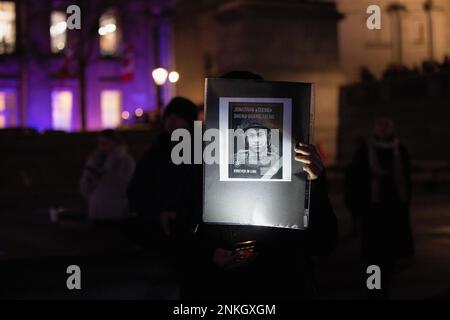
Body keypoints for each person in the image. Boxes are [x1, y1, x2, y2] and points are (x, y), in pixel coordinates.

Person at [186, 71, 338, 300]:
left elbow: (324, 242)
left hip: (283, 284)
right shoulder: (199, 169)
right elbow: (181, 235)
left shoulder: (295, 167)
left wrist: (316, 181)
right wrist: (208, 254)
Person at [346, 115, 414, 299]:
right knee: (373, 254)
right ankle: (373, 287)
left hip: (393, 209)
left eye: (386, 126)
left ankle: (385, 287)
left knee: (389, 254)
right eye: (380, 126)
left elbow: (406, 178)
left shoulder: (399, 149)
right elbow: (355, 177)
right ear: (375, 128)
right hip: (373, 210)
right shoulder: (365, 150)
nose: (383, 129)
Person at [80, 129, 135, 223]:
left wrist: (102, 174)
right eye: (100, 143)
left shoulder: (126, 160)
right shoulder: (95, 159)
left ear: (115, 143)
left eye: (105, 143)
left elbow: (125, 184)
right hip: (96, 210)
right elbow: (85, 185)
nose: (101, 147)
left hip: (117, 211)